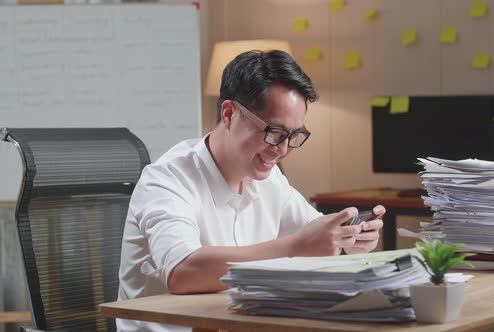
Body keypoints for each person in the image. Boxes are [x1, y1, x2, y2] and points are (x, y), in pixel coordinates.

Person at [117, 50, 385, 331]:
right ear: (230, 114)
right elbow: (183, 272)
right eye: (273, 132)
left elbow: (314, 232)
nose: (282, 150)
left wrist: (346, 238)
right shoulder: (166, 180)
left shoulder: (269, 180)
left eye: (294, 136)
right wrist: (297, 247)